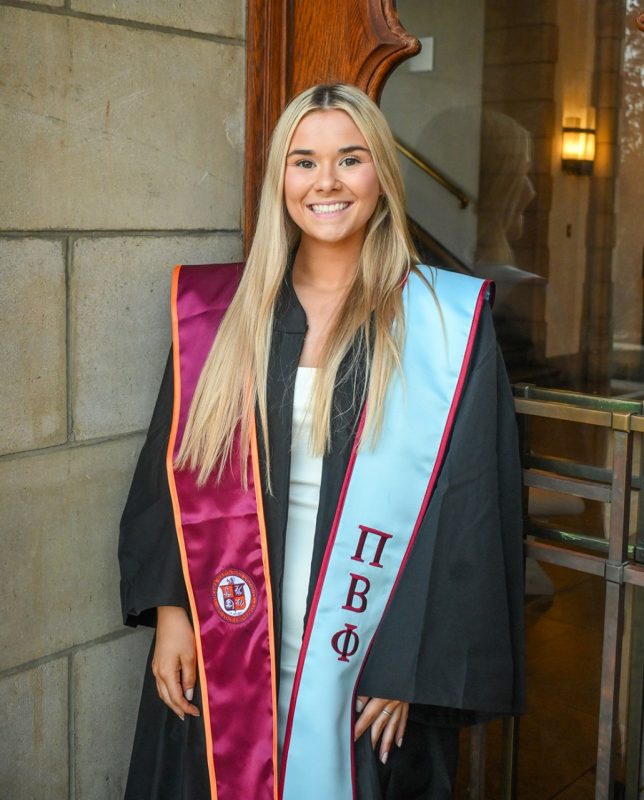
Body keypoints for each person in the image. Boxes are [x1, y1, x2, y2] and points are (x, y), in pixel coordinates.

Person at [119, 83, 525, 800]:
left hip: (367, 651)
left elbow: (468, 510)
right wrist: (172, 610)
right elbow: (170, 470)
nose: (327, 183)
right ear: (281, 179)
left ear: (383, 177)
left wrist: (411, 667)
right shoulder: (217, 315)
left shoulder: (443, 323)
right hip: (230, 632)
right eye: (304, 161)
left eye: (351, 159)